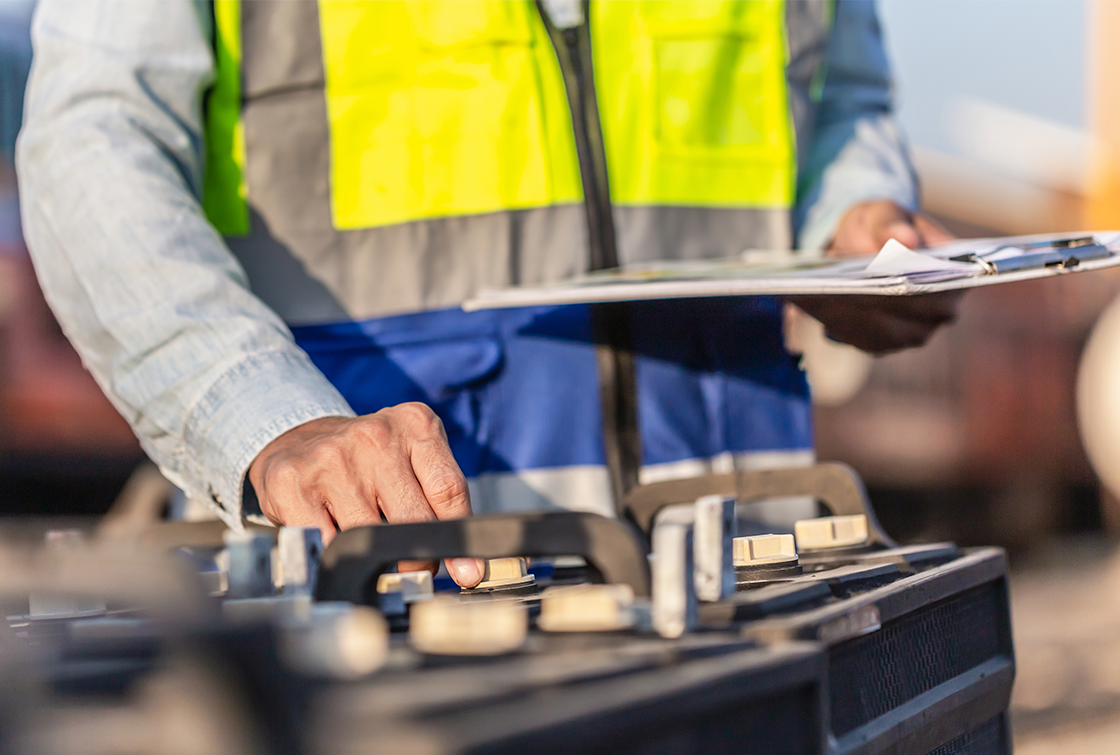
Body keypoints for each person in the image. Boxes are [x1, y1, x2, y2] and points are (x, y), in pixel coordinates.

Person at [17, 0, 956, 587]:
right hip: (389, 594)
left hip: (745, 565)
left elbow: (838, 88)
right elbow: (94, 140)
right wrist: (265, 420)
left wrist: (856, 218)